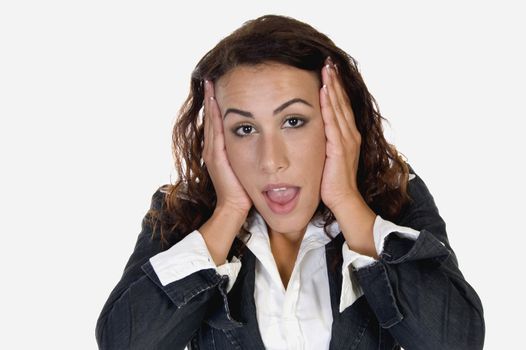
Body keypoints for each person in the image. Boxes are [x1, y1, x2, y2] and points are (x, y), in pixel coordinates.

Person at [95, 14, 485, 350]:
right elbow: (125, 341)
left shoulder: (396, 198)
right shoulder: (180, 213)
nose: (271, 161)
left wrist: (347, 200)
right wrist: (228, 212)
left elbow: (455, 340)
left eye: (293, 121)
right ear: (217, 138)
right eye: (244, 128)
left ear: (338, 121)